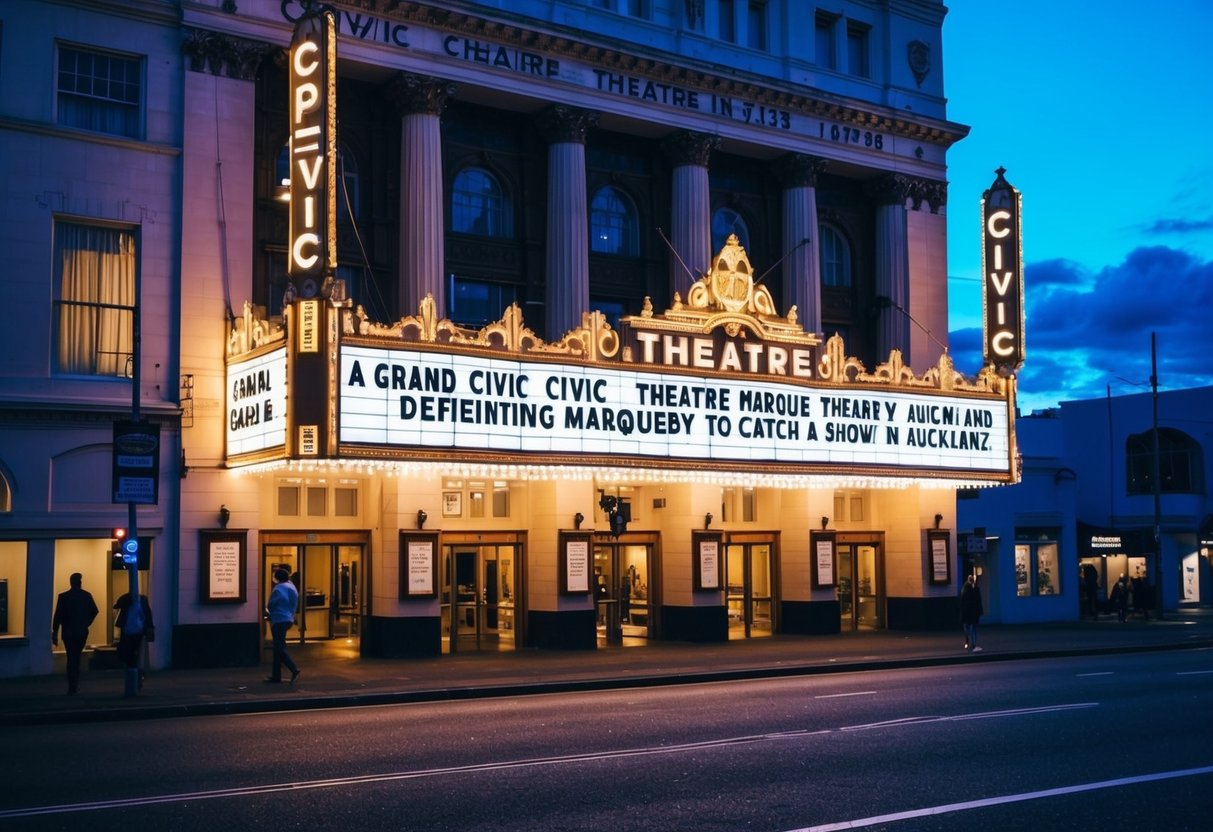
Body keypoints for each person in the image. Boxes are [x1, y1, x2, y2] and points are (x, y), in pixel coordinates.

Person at [51, 573, 99, 694]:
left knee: (71, 656)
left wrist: (55, 633)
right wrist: (86, 622)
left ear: (71, 582)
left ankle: (72, 683)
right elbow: (94, 611)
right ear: (80, 582)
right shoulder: (86, 596)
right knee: (76, 656)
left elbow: (57, 617)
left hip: (68, 631)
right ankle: (74, 681)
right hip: (81, 631)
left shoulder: (63, 597)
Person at [266, 568, 301, 684]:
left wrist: (269, 608)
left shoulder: (279, 588)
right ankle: (276, 676)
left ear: (278, 577)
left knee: (279, 647)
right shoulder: (291, 586)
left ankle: (293, 668)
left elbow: (272, 603)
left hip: (279, 618)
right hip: (288, 618)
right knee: (278, 647)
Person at [114, 590, 155, 688]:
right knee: (133, 654)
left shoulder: (128, 599)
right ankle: (137, 672)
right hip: (138, 632)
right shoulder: (142, 600)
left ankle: (135, 672)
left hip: (130, 632)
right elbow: (147, 614)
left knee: (127, 653)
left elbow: (117, 607)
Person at [960, 573, 984, 652]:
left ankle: (967, 640)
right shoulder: (975, 588)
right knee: (973, 628)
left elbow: (962, 600)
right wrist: (980, 611)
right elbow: (979, 600)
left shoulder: (964, 588)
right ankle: (973, 643)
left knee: (966, 626)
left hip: (966, 610)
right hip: (973, 610)